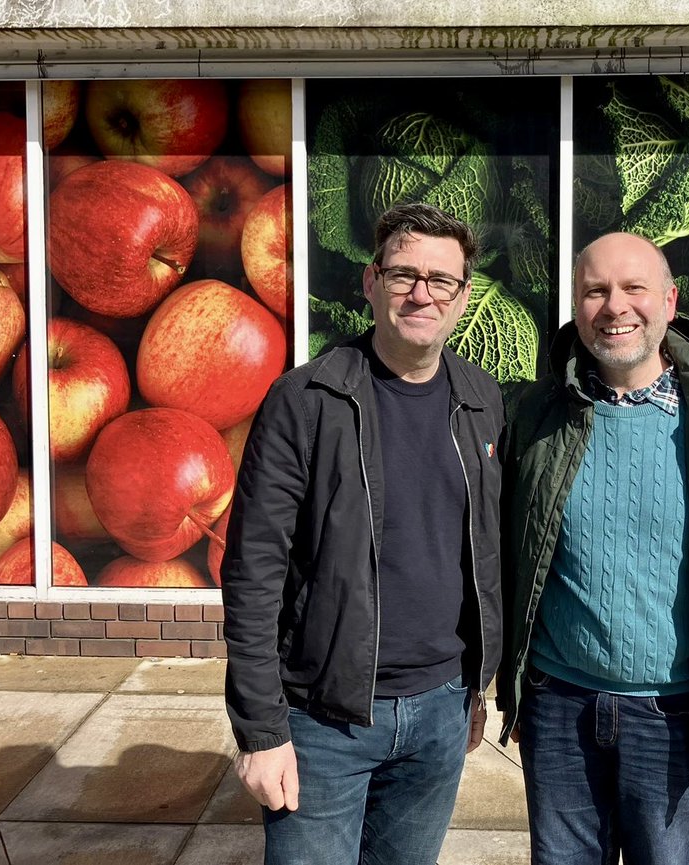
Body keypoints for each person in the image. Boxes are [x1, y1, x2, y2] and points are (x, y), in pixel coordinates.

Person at [497, 231, 689, 864]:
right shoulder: (537, 415)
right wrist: (513, 688)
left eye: (633, 288)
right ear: (576, 306)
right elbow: (509, 560)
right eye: (595, 290)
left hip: (671, 713)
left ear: (669, 299)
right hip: (558, 708)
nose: (615, 306)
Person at [221, 203, 504, 865]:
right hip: (326, 718)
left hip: (440, 711)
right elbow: (254, 570)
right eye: (404, 273)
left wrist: (477, 689)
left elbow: (485, 554)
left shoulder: (482, 398)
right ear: (372, 282)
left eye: (442, 279)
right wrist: (262, 729)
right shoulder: (306, 399)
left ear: (463, 297)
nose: (421, 293)